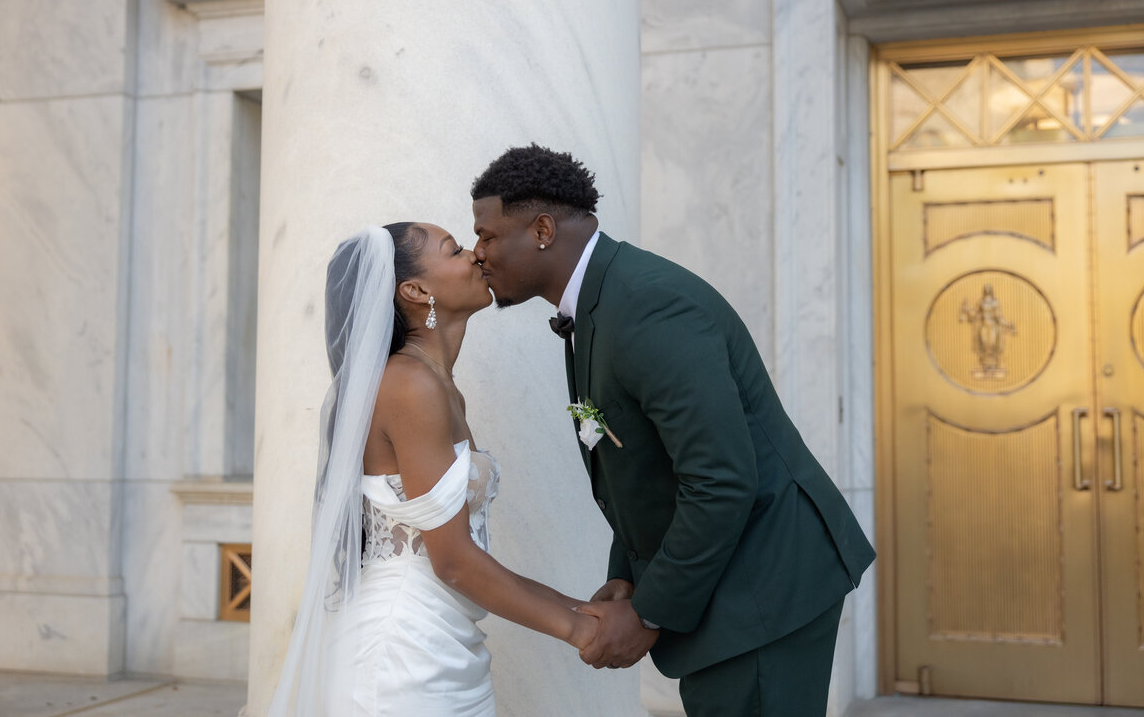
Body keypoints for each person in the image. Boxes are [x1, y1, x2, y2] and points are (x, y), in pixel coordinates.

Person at [470, 145, 876, 717]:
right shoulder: (600, 302)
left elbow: (721, 479)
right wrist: (628, 579)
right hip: (726, 581)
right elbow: (636, 465)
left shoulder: (646, 306)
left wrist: (648, 612)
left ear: (541, 230)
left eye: (485, 236)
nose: (477, 254)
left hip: (762, 588)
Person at [269, 222, 598, 716]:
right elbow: (453, 561)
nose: (475, 255)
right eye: (455, 249)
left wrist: (584, 609)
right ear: (416, 290)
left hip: (445, 645)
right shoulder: (409, 385)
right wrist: (580, 628)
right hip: (401, 659)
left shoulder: (437, 385)